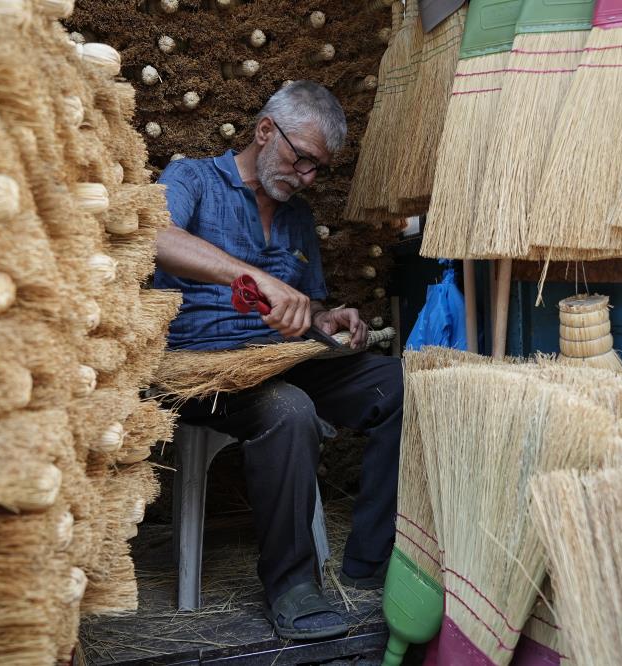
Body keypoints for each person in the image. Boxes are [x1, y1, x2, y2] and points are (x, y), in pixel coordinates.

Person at [152, 81, 402, 641]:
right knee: (288, 410)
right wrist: (251, 275)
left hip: (282, 358)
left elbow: (302, 307)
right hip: (205, 368)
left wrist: (326, 317)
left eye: (318, 168)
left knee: (399, 383)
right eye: (302, 159)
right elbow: (156, 238)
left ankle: (368, 560)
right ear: (266, 131)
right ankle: (292, 586)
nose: (307, 178)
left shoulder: (296, 217)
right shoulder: (192, 177)